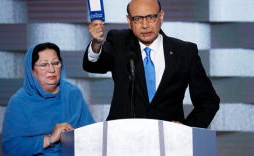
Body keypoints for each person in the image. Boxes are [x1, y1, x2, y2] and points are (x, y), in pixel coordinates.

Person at [83, 0, 220, 128]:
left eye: (150, 17)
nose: (145, 25)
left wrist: (187, 129)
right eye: (137, 19)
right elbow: (94, 66)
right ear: (129, 21)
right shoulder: (119, 41)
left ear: (161, 17)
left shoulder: (185, 52)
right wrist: (96, 43)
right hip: (123, 136)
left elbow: (208, 100)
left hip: (168, 141)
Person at [2, 43, 95, 156]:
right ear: (31, 70)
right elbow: (11, 147)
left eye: (55, 63)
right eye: (44, 65)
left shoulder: (73, 94)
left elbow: (91, 135)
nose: (51, 69)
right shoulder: (19, 101)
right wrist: (50, 138)